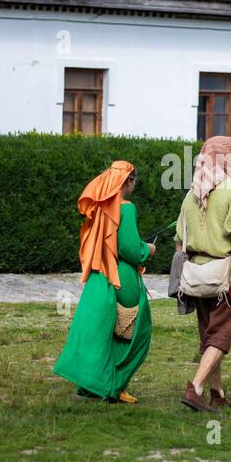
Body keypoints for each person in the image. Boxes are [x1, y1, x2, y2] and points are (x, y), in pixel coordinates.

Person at [54, 161, 155, 404]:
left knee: (102, 331)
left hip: (100, 275)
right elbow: (129, 249)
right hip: (122, 276)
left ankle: (93, 385)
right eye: (134, 180)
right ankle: (115, 385)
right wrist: (147, 250)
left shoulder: (101, 208)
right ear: (127, 181)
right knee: (135, 332)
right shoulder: (127, 209)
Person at [174, 135, 231, 411]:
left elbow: (179, 240)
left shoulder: (191, 193)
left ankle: (217, 393)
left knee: (209, 335)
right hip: (225, 276)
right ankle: (196, 388)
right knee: (221, 336)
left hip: (196, 275)